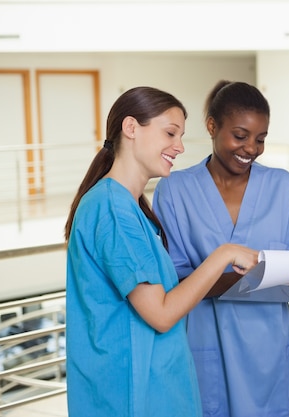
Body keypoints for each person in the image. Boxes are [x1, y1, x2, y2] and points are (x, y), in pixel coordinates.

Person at [64, 86, 258, 417]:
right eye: (170, 133)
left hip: (156, 387)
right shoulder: (111, 208)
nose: (180, 147)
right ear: (131, 128)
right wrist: (224, 254)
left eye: (181, 136)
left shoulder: (131, 208)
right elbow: (162, 313)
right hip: (131, 395)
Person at [152, 80, 289, 417]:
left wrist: (215, 281)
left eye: (260, 139)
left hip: (269, 355)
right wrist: (261, 277)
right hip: (208, 355)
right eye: (240, 136)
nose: (251, 148)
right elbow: (176, 284)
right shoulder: (175, 190)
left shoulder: (281, 186)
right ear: (212, 126)